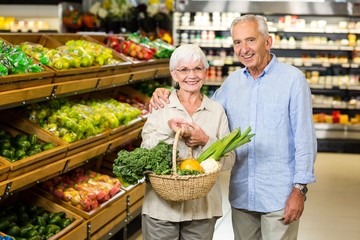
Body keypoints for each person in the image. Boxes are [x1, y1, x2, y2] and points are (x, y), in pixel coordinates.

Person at [149, 14, 317, 239]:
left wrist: (300, 190)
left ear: (268, 42)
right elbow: (199, 106)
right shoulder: (231, 84)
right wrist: (167, 94)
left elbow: (305, 139)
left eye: (250, 40)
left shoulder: (293, 80)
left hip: (279, 195)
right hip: (242, 196)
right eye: (237, 42)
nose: (244, 49)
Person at [140, 43, 235, 240]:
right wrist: (168, 128)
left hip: (202, 209)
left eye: (198, 68)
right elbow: (145, 149)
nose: (191, 75)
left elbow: (229, 161)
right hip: (161, 209)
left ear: (205, 72)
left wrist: (205, 140)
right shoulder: (161, 105)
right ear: (174, 75)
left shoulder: (216, 111)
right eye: (184, 69)